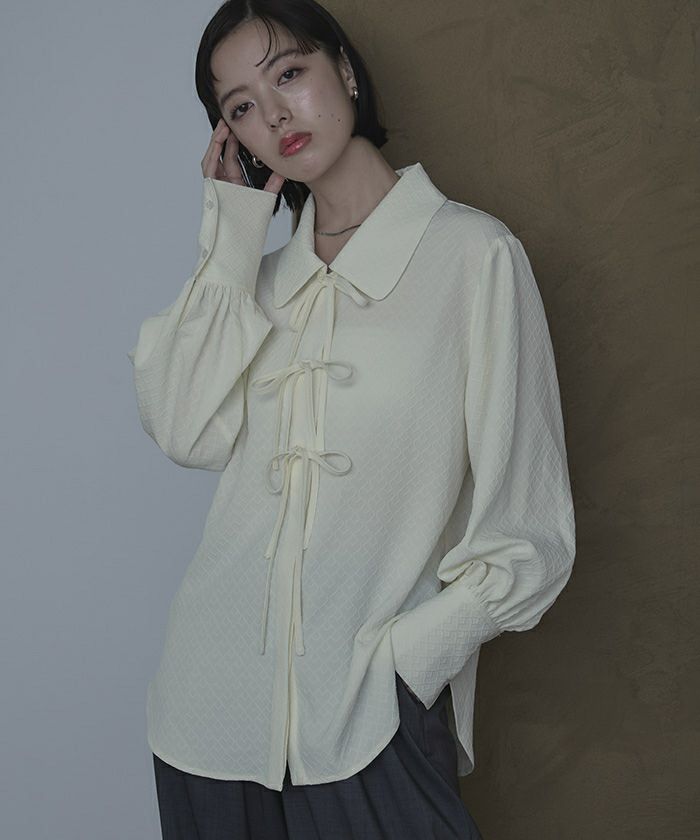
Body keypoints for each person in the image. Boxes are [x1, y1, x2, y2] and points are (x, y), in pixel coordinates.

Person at [127, 1, 577, 837]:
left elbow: (529, 531)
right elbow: (184, 430)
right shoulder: (254, 283)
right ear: (230, 138)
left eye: (289, 74)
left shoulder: (474, 258)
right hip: (206, 717)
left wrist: (407, 667)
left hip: (371, 721)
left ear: (345, 69)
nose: (275, 115)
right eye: (241, 106)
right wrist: (231, 238)